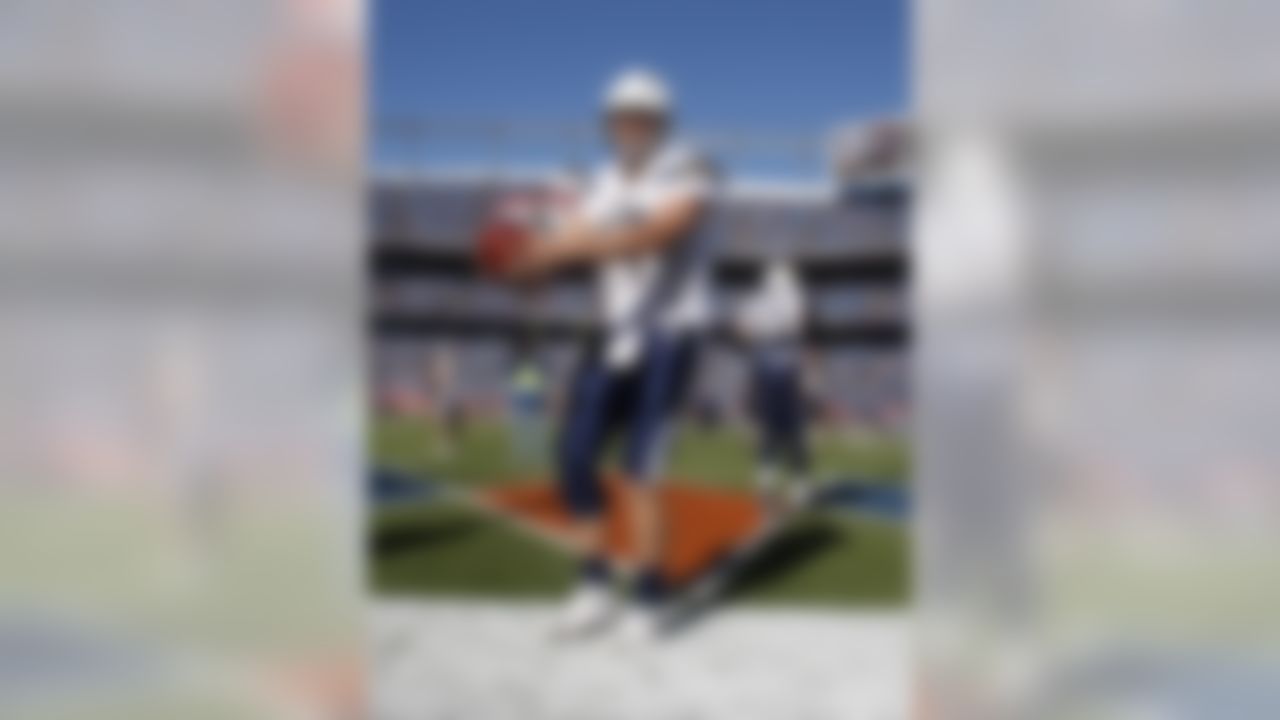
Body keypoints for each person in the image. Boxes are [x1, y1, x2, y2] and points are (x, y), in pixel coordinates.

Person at [505, 67, 718, 641]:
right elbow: (564, 237)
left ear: (663, 122)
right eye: (622, 116)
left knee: (641, 470)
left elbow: (659, 233)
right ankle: (594, 586)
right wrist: (529, 259)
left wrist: (571, 243)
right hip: (611, 332)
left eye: (642, 116)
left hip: (672, 333)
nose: (631, 126)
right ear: (608, 122)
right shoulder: (600, 181)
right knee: (573, 457)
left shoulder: (692, 165)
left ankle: (651, 595)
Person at [735, 259, 814, 513]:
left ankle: (775, 482)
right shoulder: (785, 299)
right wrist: (770, 328)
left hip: (770, 371)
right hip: (782, 372)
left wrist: (764, 329)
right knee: (790, 430)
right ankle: (792, 484)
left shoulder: (761, 301)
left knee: (776, 429)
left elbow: (743, 329)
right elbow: (798, 324)